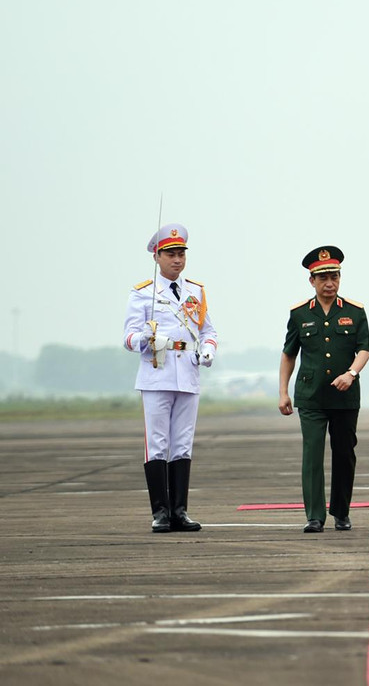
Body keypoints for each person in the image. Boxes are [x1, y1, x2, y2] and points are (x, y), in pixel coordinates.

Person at [122, 223, 219, 533]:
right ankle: (160, 512)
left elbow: (208, 330)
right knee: (157, 443)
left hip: (188, 373)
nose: (177, 260)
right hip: (157, 372)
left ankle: (180, 511)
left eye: (181, 254)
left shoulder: (195, 291)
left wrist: (208, 349)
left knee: (183, 443)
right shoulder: (143, 293)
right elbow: (128, 337)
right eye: (170, 254)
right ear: (157, 256)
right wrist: (145, 339)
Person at [278, 246, 369, 534]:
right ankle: (314, 516)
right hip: (311, 396)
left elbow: (364, 349)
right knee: (312, 454)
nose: (329, 283)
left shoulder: (355, 312)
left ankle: (341, 512)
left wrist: (351, 374)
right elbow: (289, 354)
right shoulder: (299, 314)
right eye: (323, 278)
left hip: (345, 397)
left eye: (334, 277)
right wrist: (283, 392)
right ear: (312, 281)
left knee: (344, 454)